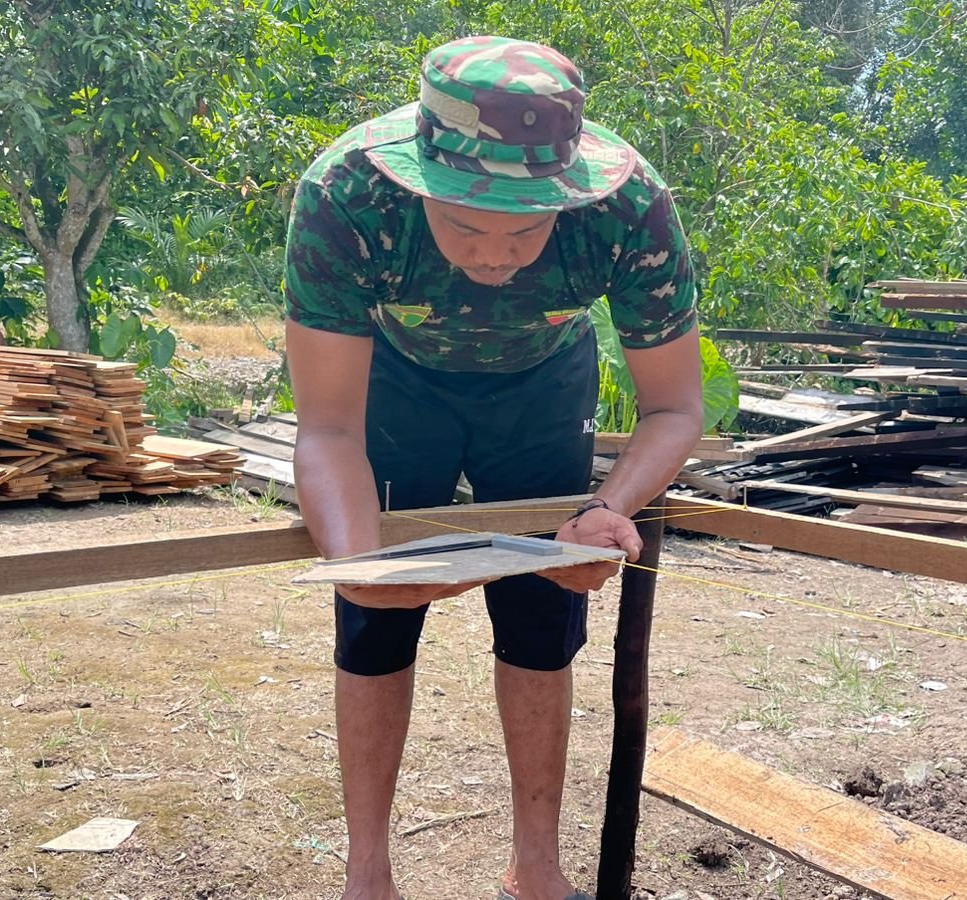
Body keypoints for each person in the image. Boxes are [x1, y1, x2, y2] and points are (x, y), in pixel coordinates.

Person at [283, 36, 703, 900]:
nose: (495, 255)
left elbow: (674, 409)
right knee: (373, 623)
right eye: (467, 225)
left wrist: (608, 508)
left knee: (544, 617)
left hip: (544, 381)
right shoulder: (346, 195)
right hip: (393, 380)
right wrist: (359, 569)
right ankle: (368, 876)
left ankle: (536, 869)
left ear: (570, 196)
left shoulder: (631, 210)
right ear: (418, 184)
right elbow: (327, 428)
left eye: (527, 229)